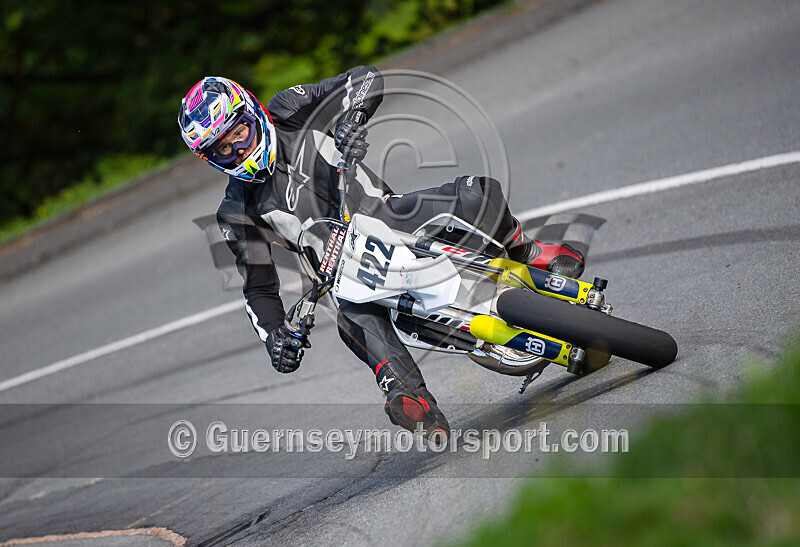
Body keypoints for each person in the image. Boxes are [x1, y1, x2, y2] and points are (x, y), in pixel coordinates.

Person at [178, 67, 584, 444]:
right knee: (350, 320)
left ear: (252, 111)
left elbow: (364, 78)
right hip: (344, 274)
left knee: (478, 191)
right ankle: (410, 398)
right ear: (210, 159)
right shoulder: (235, 211)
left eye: (239, 134)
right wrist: (274, 338)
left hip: (392, 215)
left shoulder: (288, 108)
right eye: (223, 151)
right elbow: (258, 289)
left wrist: (352, 119)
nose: (237, 150)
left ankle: (526, 250)